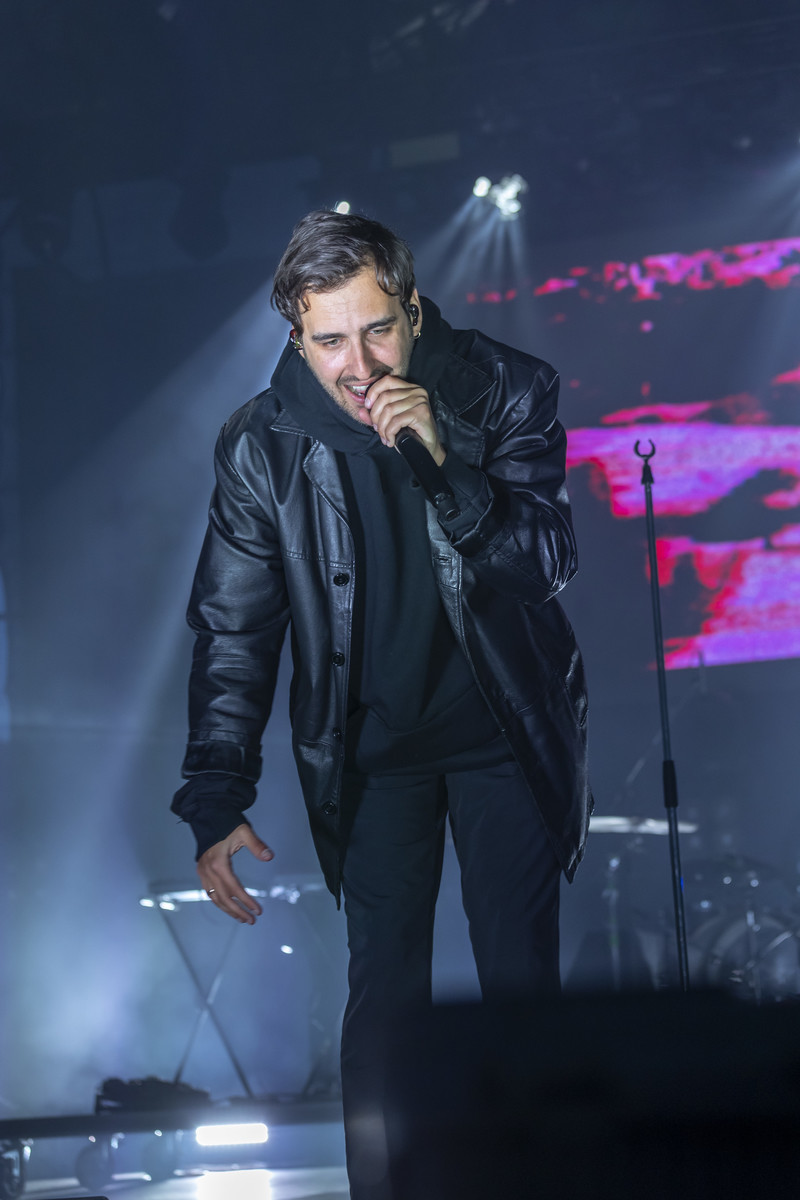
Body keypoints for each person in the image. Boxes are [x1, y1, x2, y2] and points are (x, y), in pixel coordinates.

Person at [171, 209, 591, 1199]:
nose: (358, 366)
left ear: (412, 308)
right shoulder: (260, 445)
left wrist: (444, 464)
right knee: (385, 1003)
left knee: (520, 992)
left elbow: (543, 564)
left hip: (502, 733)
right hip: (373, 753)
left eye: (377, 330)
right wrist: (216, 794)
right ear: (294, 335)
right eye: (329, 341)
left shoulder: (503, 386)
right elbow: (234, 629)